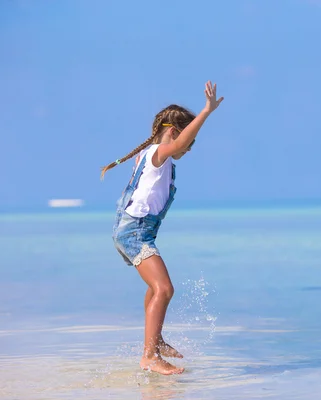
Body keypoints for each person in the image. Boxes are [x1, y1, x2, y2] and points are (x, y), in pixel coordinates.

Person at [100, 81, 224, 375]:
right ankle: (149, 357)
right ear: (172, 133)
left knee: (155, 289)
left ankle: (154, 342)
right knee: (164, 288)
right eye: (189, 142)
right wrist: (206, 112)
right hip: (135, 231)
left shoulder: (156, 158)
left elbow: (178, 147)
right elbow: (178, 146)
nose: (189, 149)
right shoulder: (158, 153)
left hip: (135, 230)